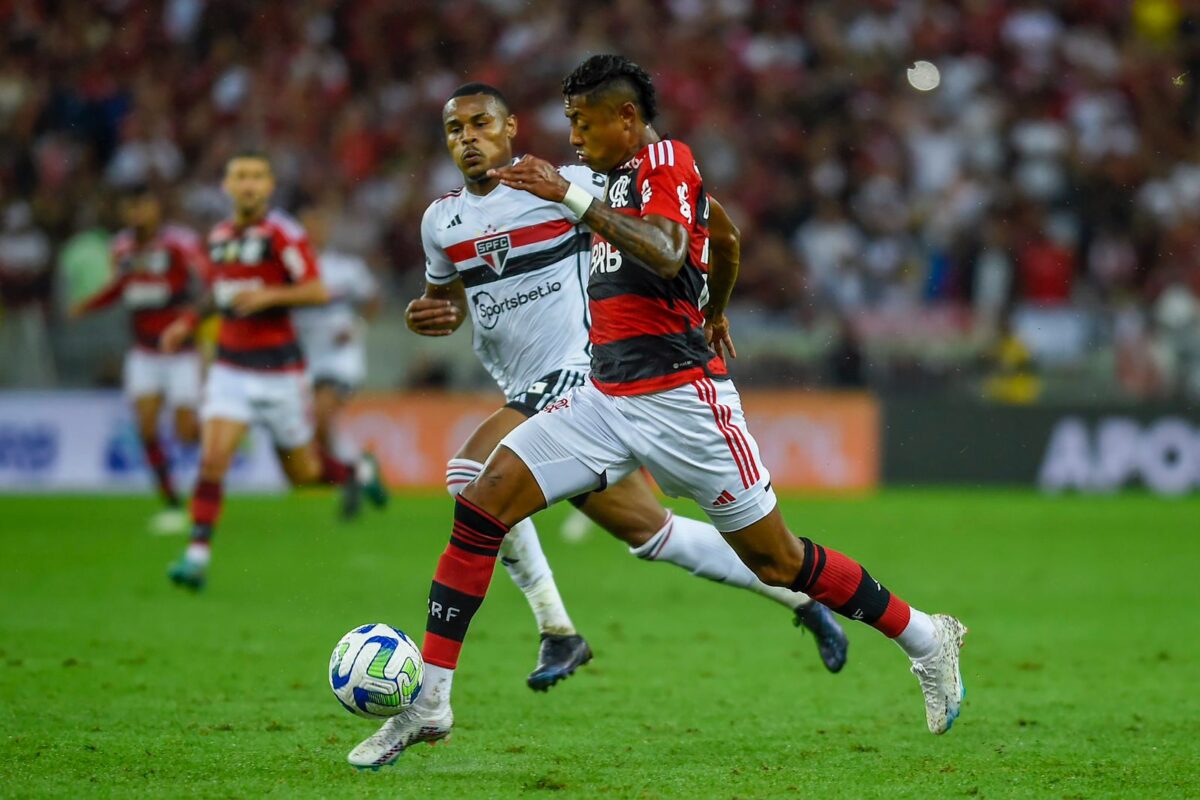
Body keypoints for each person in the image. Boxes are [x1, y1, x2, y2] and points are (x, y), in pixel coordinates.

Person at [347, 57, 969, 768]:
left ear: (626, 119)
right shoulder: (595, 184)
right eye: (570, 121)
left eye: (584, 122)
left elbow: (677, 250)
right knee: (480, 502)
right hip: (603, 398)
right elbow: (725, 242)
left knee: (779, 558)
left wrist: (585, 211)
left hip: (683, 402)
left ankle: (924, 636)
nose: (573, 135)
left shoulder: (665, 161)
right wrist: (717, 311)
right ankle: (430, 702)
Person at [402, 82, 847, 695]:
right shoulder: (440, 221)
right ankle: (800, 597)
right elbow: (447, 302)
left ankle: (556, 630)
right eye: (455, 130)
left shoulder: (558, 186)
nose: (468, 138)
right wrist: (431, 315)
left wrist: (707, 294)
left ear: (510, 130)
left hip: (586, 372)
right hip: (529, 386)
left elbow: (701, 226)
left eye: (481, 124)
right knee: (653, 534)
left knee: (468, 475)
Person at [159, 151, 387, 591]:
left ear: (268, 187)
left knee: (303, 474)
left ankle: (359, 472)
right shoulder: (222, 235)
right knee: (213, 459)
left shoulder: (284, 234)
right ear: (227, 186)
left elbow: (317, 288)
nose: (247, 184)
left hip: (280, 373)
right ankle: (196, 557)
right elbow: (217, 291)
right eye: (239, 176)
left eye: (256, 177)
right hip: (230, 367)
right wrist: (187, 322)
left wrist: (267, 298)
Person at [71, 185, 205, 533]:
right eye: (131, 208)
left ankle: (221, 438)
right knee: (146, 429)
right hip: (143, 353)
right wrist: (87, 306)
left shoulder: (179, 243)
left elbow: (204, 281)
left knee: (186, 431)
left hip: (180, 352)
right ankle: (173, 502)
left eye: (144, 206)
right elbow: (120, 287)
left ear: (156, 209)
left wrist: (193, 318)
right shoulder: (121, 247)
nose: (137, 214)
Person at [292, 204, 380, 465]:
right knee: (316, 426)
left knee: (321, 414)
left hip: (339, 355)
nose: (312, 234)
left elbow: (373, 299)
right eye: (306, 229)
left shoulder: (345, 267)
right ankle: (357, 468)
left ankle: (349, 470)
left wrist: (357, 325)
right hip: (305, 354)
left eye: (317, 228)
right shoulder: (290, 271)